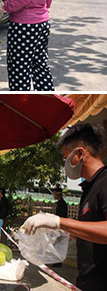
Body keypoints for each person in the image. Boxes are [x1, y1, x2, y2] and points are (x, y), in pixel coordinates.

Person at [22, 123, 107, 290]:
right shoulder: (89, 188)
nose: (65, 164)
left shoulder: (104, 183)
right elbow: (89, 234)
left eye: (65, 157)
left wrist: (59, 222)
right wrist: (56, 230)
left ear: (80, 153)